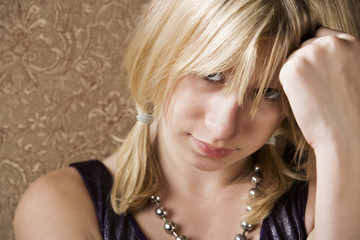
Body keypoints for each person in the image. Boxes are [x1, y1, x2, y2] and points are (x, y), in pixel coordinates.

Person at [14, 0, 360, 239]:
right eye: (211, 75)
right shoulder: (62, 206)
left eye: (267, 93)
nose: (224, 128)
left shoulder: (326, 189)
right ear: (159, 59)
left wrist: (340, 136)